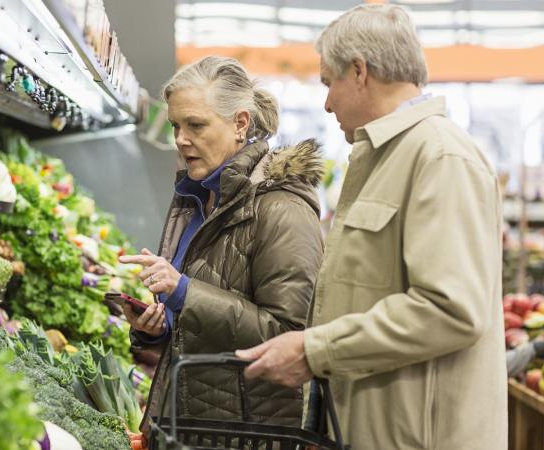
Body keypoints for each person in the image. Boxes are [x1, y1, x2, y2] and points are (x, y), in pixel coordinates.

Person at [236, 4, 508, 450]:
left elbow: (450, 310)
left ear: (359, 72)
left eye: (329, 82)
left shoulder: (440, 158)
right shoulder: (386, 157)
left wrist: (315, 350)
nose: (326, 102)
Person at [118, 56, 324, 428]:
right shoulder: (195, 195)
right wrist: (159, 328)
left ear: (240, 123)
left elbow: (288, 335)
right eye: (176, 125)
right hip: (190, 422)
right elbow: (204, 327)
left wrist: (183, 291)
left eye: (196, 125)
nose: (181, 139)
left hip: (243, 431)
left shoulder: (282, 208)